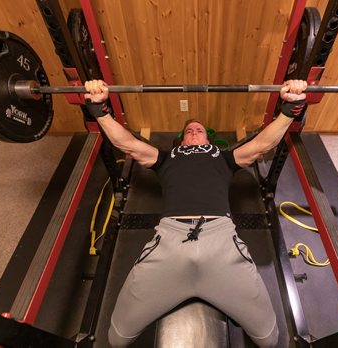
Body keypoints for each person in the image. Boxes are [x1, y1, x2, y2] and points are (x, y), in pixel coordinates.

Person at [84, 79, 307, 347]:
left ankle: (207, 289)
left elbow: (261, 145)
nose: (193, 133)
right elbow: (128, 144)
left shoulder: (222, 157)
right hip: (169, 243)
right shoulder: (167, 158)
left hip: (221, 243)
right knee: (116, 338)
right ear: (180, 140)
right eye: (188, 131)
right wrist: (100, 110)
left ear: (208, 138)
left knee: (269, 339)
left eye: (198, 130)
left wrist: (289, 109)